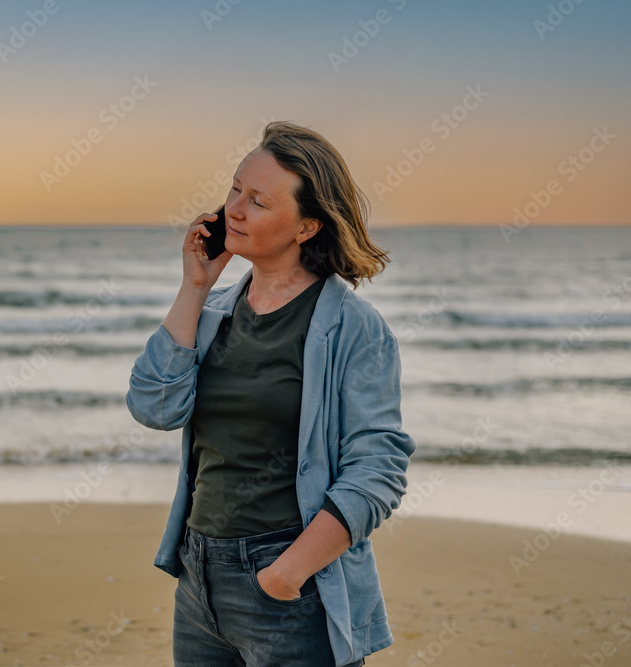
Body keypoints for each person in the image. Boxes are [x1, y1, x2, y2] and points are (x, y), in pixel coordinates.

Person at [125, 121, 415, 666]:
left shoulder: (353, 327)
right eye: (235, 189)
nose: (234, 208)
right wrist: (194, 288)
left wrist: (288, 572)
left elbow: (378, 469)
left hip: (287, 584)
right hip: (197, 576)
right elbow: (154, 407)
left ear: (306, 226)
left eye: (258, 201)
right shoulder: (212, 312)